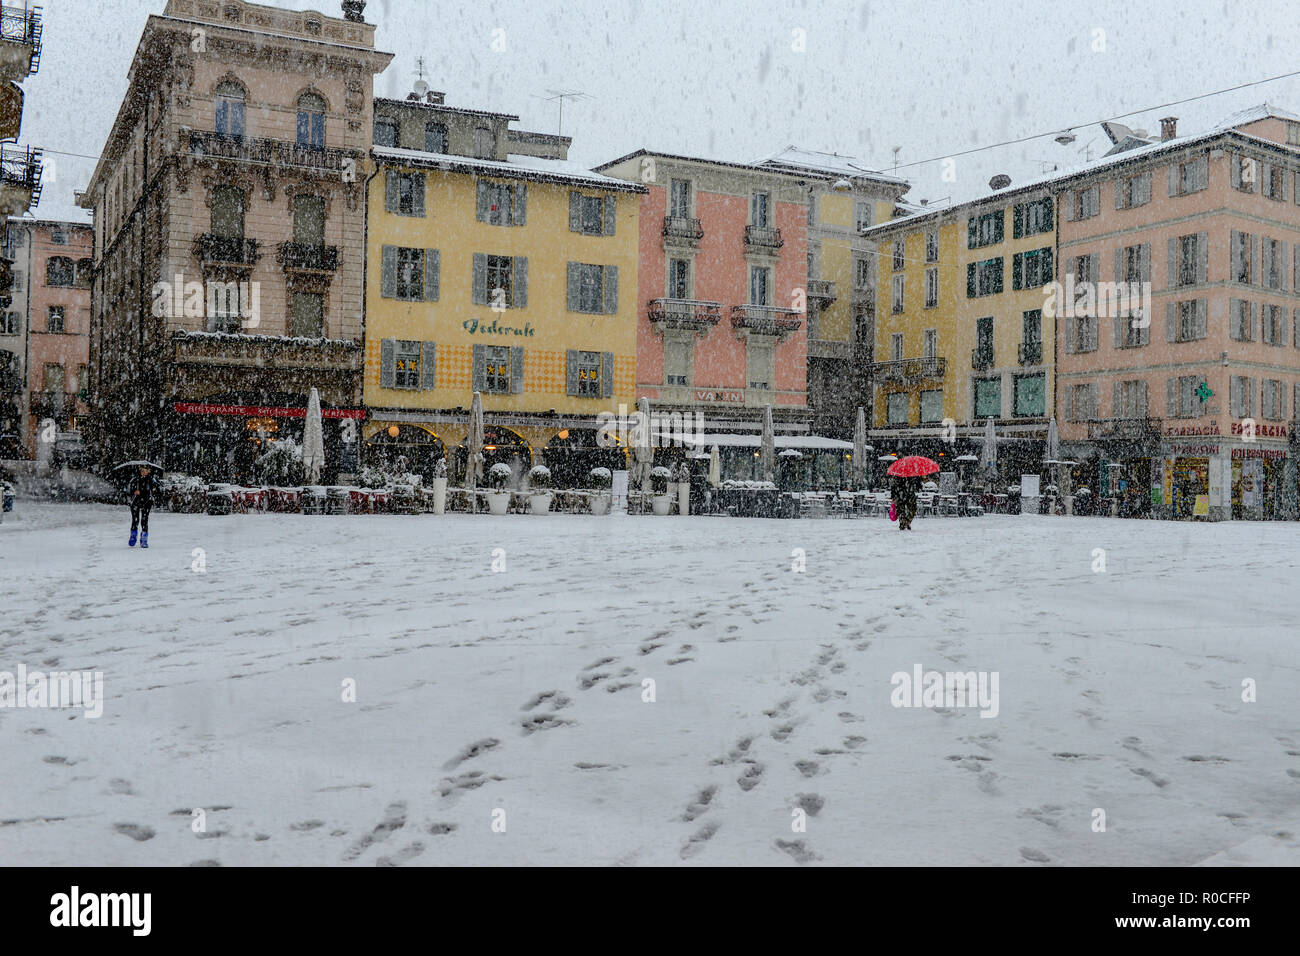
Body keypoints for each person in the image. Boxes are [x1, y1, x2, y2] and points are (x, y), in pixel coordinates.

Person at [127, 465, 159, 548]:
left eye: (145, 470)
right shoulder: (135, 479)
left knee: (144, 520)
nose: (143, 472)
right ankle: (133, 536)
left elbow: (158, 488)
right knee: (135, 520)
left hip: (147, 502)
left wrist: (154, 490)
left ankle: (144, 539)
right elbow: (128, 489)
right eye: (142, 470)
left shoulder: (151, 479)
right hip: (136, 501)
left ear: (149, 471)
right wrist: (134, 491)